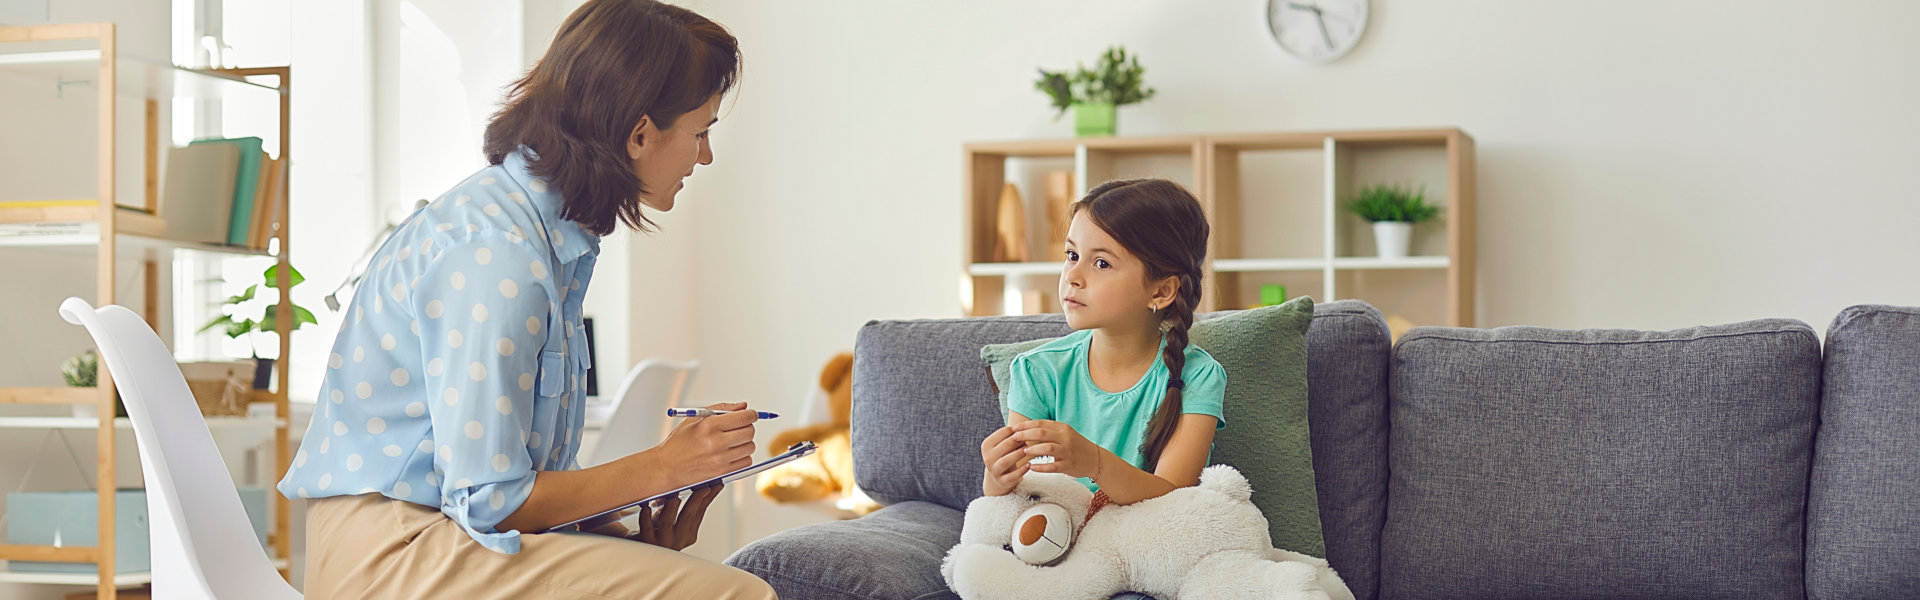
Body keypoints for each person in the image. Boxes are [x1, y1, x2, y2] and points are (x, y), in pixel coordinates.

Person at [277, 1, 775, 597]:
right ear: (640, 134)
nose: (705, 156)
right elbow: (491, 499)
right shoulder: (497, 253)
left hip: (438, 534)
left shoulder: (544, 240)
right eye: (701, 131)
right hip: (392, 552)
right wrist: (663, 467)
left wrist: (625, 533)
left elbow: (500, 492)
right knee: (738, 594)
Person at [979, 178, 1226, 512]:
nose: (1073, 276)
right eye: (1071, 255)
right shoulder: (1037, 371)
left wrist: (1093, 461)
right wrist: (996, 478)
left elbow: (1173, 500)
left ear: (1161, 291)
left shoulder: (1198, 376)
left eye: (1101, 263)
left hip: (1150, 546)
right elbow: (1015, 501)